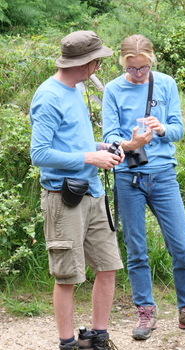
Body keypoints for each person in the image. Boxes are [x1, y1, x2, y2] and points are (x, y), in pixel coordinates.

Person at [102, 34, 185, 340]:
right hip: (129, 176)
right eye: (132, 68)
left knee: (181, 246)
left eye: (143, 68)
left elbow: (178, 128)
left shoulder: (166, 84)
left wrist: (162, 128)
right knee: (137, 250)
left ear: (151, 61)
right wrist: (130, 143)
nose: (138, 74)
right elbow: (109, 136)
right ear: (123, 63)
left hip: (163, 175)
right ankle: (145, 312)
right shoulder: (113, 89)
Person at [29, 30, 124, 350]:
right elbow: (39, 154)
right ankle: (68, 344)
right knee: (67, 277)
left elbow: (71, 140)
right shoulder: (48, 96)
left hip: (93, 192)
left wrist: (102, 149)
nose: (99, 65)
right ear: (84, 63)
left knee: (109, 266)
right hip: (63, 197)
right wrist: (89, 157)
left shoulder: (77, 88)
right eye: (97, 60)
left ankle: (97, 339)